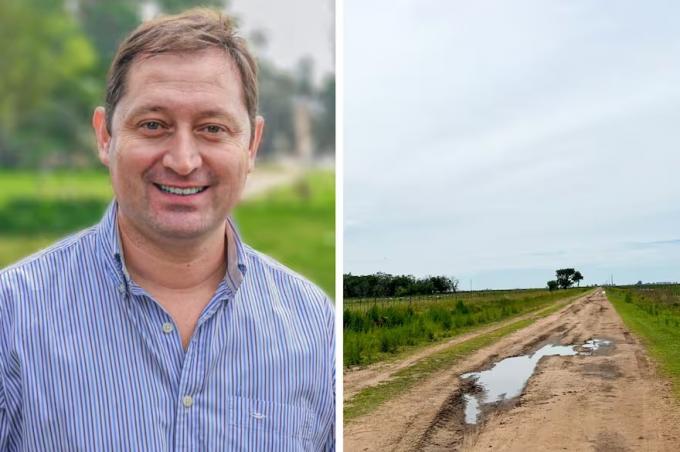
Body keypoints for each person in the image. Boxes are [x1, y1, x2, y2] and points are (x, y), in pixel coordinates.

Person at [0, 9, 334, 451]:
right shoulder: (13, 319)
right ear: (105, 136)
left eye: (212, 128)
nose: (183, 160)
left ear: (251, 145)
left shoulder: (316, 329)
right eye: (153, 125)